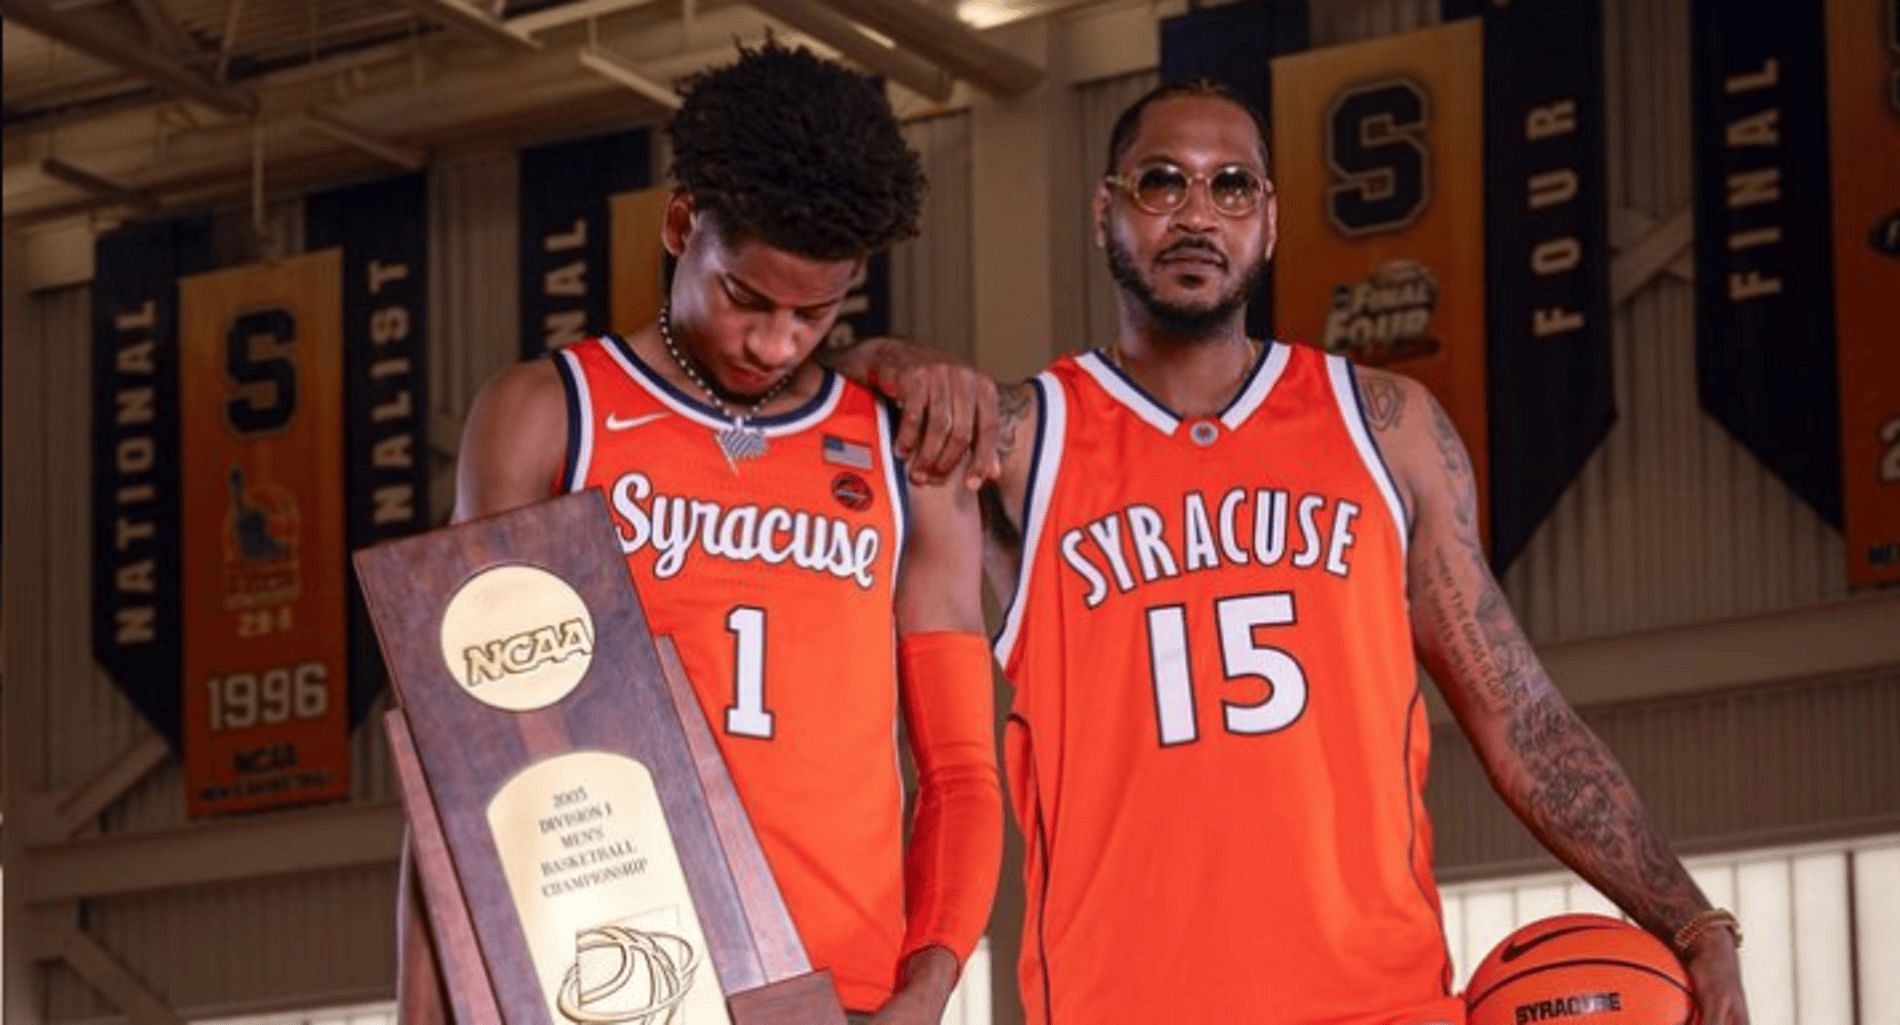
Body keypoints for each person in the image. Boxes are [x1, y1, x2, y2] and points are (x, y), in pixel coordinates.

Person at [837, 79, 1749, 1024]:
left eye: (1232, 186)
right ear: (1107, 209)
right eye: (1164, 183)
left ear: (1268, 222)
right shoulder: (1023, 443)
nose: (1199, 213)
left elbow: (1522, 719)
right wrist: (900, 360)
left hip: (1379, 1006)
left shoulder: (1386, 429)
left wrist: (1694, 924)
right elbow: (835, 398)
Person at [398, 42, 1002, 1025]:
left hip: (831, 996)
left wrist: (928, 987)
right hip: (605, 989)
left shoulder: (904, 456)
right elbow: (459, 768)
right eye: (747, 297)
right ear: (682, 223)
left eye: (816, 312)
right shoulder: (551, 417)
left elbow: (963, 770)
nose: (775, 341)